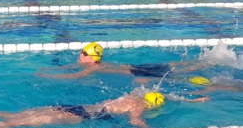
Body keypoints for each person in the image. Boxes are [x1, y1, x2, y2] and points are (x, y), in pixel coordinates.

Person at [0, 91, 208, 128]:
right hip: (80, 115)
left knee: (18, 115)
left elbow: (169, 93)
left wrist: (194, 101)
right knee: (18, 125)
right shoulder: (140, 105)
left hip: (74, 106)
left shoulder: (136, 94)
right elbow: (135, 121)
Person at [38, 42, 207, 81]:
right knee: (170, 66)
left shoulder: (92, 69)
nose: (79, 54)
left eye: (83, 53)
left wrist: (49, 77)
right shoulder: (96, 64)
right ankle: (207, 61)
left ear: (92, 58)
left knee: (176, 74)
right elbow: (71, 68)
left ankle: (207, 65)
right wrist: (47, 70)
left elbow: (74, 77)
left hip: (138, 72)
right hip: (138, 67)